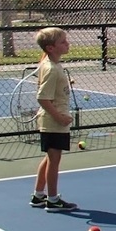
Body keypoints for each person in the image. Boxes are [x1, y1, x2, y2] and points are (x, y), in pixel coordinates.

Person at [30, 27, 78, 212]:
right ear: (51, 48)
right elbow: (42, 98)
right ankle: (52, 199)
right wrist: (59, 117)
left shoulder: (51, 63)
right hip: (53, 122)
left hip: (52, 121)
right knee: (54, 160)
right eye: (63, 42)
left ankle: (38, 195)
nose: (67, 44)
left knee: (49, 158)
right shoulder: (51, 69)